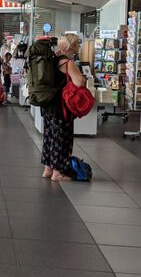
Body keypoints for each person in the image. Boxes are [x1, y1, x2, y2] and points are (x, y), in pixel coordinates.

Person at [42, 34, 85, 182]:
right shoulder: (68, 63)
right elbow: (79, 81)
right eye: (77, 43)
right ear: (71, 46)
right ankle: (57, 172)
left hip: (48, 104)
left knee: (49, 136)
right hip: (62, 106)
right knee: (62, 138)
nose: (79, 46)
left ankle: (47, 169)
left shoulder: (52, 59)